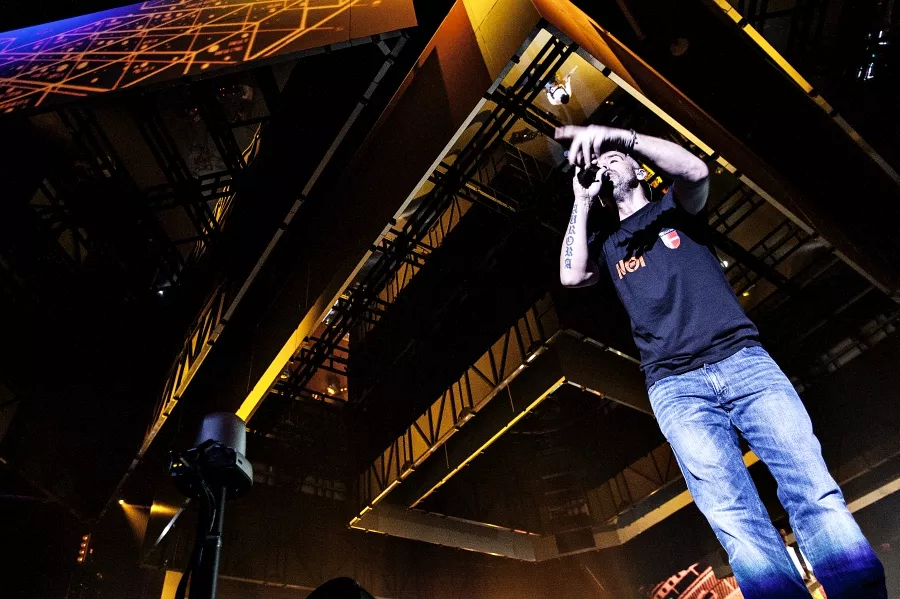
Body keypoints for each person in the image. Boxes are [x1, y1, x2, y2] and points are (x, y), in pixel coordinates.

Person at [554, 124, 886, 599]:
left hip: (743, 362)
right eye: (600, 159)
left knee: (810, 488)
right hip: (676, 389)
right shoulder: (610, 243)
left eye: (614, 158)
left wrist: (617, 137)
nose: (604, 164)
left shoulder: (675, 208)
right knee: (734, 519)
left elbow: (695, 170)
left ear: (638, 169)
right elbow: (571, 275)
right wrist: (582, 201)